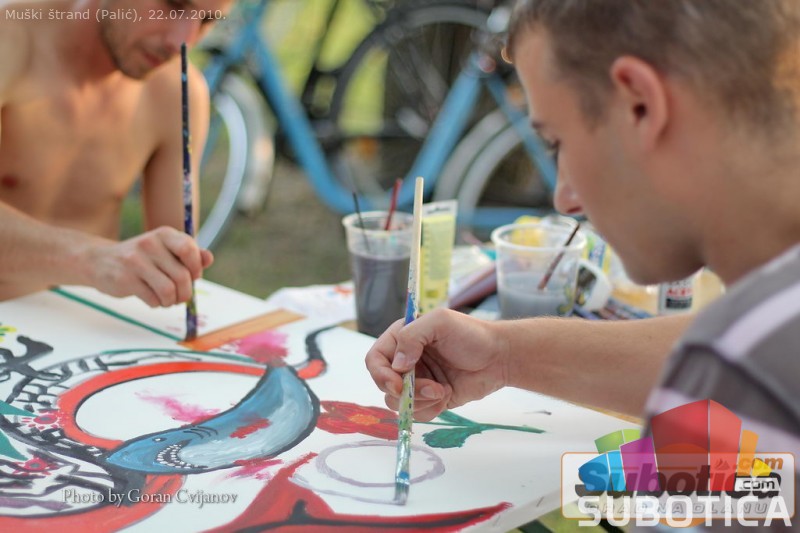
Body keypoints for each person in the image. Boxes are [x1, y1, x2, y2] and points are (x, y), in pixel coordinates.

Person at [367, 0, 800, 480]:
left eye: (558, 142)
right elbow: (719, 351)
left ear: (641, 105)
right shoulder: (765, 337)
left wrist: (601, 494)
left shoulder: (753, 374)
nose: (564, 199)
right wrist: (503, 353)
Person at [0, 0, 234, 306]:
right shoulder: (10, 42)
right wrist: (90, 258)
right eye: (173, 5)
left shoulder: (177, 91)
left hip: (84, 324)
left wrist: (171, 268)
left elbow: (176, 260)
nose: (181, 42)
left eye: (206, 20)